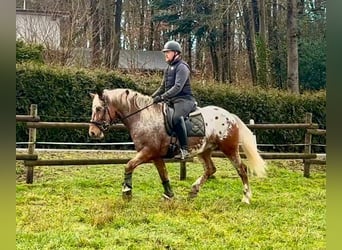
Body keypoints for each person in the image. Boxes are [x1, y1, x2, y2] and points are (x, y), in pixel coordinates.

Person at [151, 40, 197, 160]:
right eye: (165, 52)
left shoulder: (182, 67)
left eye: (168, 52)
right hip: (172, 100)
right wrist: (150, 99)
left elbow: (178, 87)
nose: (165, 54)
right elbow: (162, 87)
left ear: (176, 53)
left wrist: (162, 97)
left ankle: (184, 149)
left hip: (185, 99)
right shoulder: (168, 68)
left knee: (176, 118)